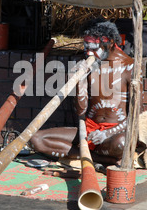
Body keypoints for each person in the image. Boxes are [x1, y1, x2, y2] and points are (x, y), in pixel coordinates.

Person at [30, 18, 137, 165]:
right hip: (88, 131)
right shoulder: (88, 65)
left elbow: (136, 115)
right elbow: (80, 111)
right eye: (86, 48)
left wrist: (106, 133)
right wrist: (79, 80)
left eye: (94, 48)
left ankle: (87, 155)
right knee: (36, 140)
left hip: (114, 134)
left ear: (110, 43)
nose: (89, 53)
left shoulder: (130, 67)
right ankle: (101, 160)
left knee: (122, 143)